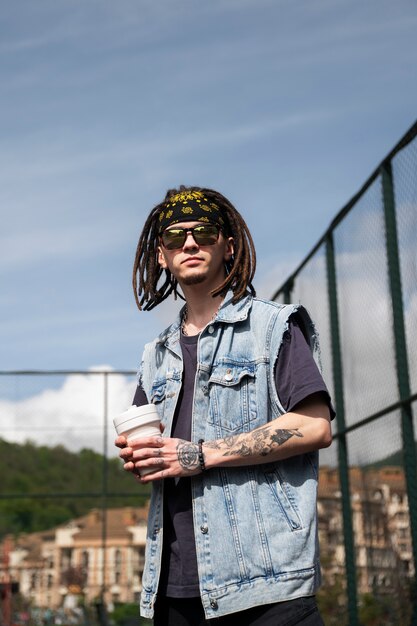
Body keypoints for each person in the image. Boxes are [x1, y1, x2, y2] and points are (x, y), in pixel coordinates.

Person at [116, 186, 334, 625]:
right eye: (176, 238)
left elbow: (315, 426)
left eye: (205, 232)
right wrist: (144, 457)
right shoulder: (154, 356)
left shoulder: (272, 328)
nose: (190, 244)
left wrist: (199, 455)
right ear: (162, 256)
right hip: (173, 588)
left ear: (228, 246)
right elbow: (161, 454)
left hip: (266, 586)